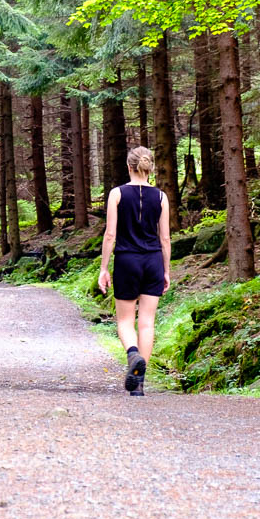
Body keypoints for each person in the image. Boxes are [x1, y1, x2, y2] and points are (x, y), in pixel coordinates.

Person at [98, 146, 171, 397]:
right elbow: (165, 239)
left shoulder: (116, 194)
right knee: (147, 323)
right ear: (149, 168)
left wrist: (104, 268)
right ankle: (139, 384)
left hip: (127, 260)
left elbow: (110, 234)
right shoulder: (161, 197)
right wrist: (166, 270)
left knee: (125, 321)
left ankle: (132, 354)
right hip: (153, 261)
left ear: (129, 167)